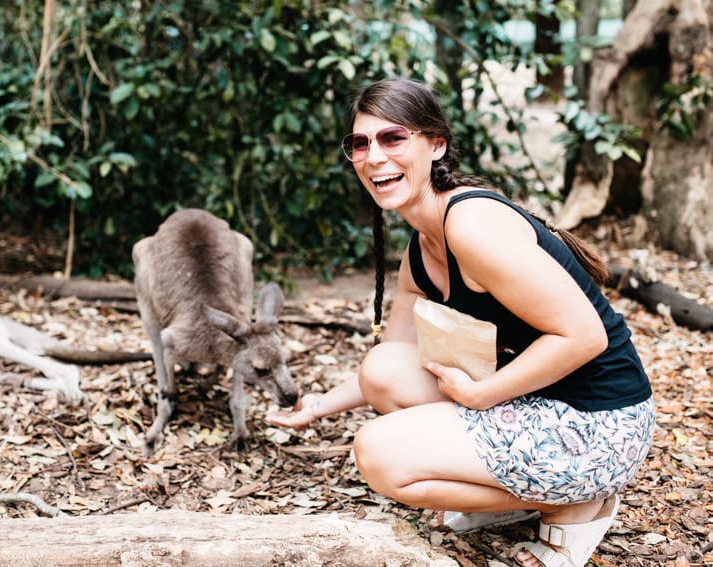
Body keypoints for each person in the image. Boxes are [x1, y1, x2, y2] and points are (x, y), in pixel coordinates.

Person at [267, 77, 654, 567]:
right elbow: (396, 360)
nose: (374, 156)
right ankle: (527, 487)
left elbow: (585, 336)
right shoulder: (421, 248)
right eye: (360, 143)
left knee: (379, 455)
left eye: (393, 138)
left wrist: (480, 395)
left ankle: (572, 501)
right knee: (382, 368)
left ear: (436, 144)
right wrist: (317, 406)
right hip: (538, 401)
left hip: (600, 423)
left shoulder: (470, 224)